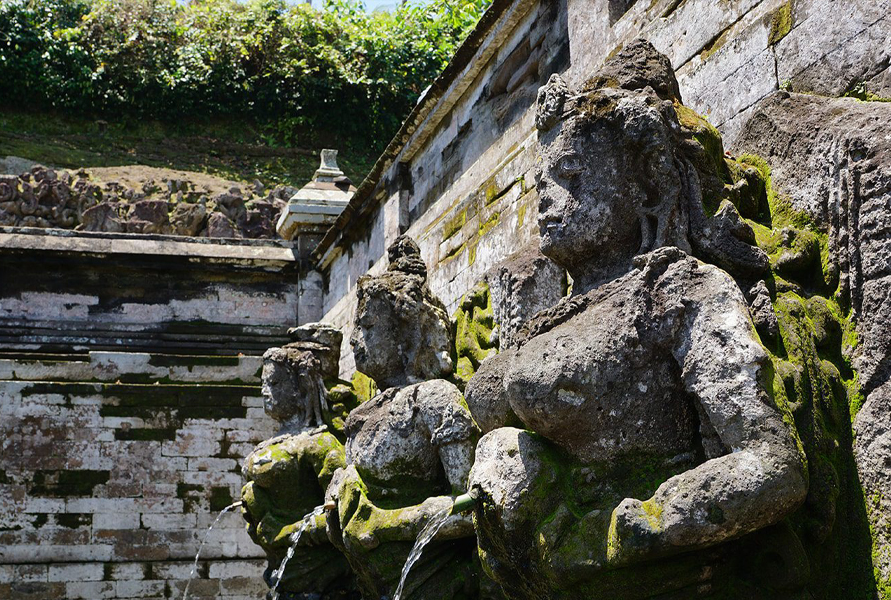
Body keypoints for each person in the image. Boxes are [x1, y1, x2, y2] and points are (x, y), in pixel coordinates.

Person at [465, 40, 808, 600]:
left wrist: (644, 521)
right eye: (540, 185)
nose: (546, 201)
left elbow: (772, 465)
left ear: (645, 182)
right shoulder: (548, 322)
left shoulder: (674, 291)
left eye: (571, 176)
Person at [325, 236, 494, 600]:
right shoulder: (362, 415)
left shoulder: (434, 400)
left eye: (368, 328)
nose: (354, 340)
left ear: (405, 335)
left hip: (432, 582)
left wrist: (383, 525)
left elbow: (470, 508)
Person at [241, 323, 359, 599]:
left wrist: (284, 533)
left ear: (301, 387)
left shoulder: (319, 444)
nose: (264, 391)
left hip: (320, 576)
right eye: (263, 383)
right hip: (281, 570)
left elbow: (342, 512)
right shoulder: (273, 444)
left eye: (274, 383)